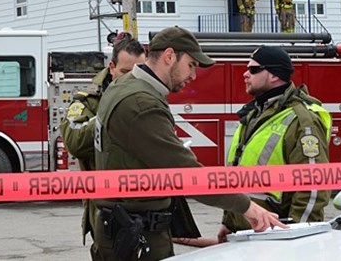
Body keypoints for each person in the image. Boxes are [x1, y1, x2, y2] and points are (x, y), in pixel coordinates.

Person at [91, 26, 287, 261]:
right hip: (136, 238)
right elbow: (188, 175)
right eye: (191, 65)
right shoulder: (141, 104)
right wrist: (247, 207)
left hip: (122, 230)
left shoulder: (122, 87)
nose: (193, 75)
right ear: (169, 56)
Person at [217, 45, 332, 243]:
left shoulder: (302, 120)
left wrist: (294, 238)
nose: (245, 74)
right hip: (248, 234)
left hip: (276, 238)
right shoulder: (254, 115)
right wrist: (230, 221)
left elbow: (313, 186)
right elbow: (239, 175)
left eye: (253, 69)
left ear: (274, 75)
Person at [60, 34, 146, 245]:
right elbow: (74, 140)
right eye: (125, 72)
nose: (132, 79)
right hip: (106, 209)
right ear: (112, 67)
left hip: (145, 207)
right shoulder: (89, 100)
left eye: (138, 72)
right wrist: (111, 114)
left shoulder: (148, 95)